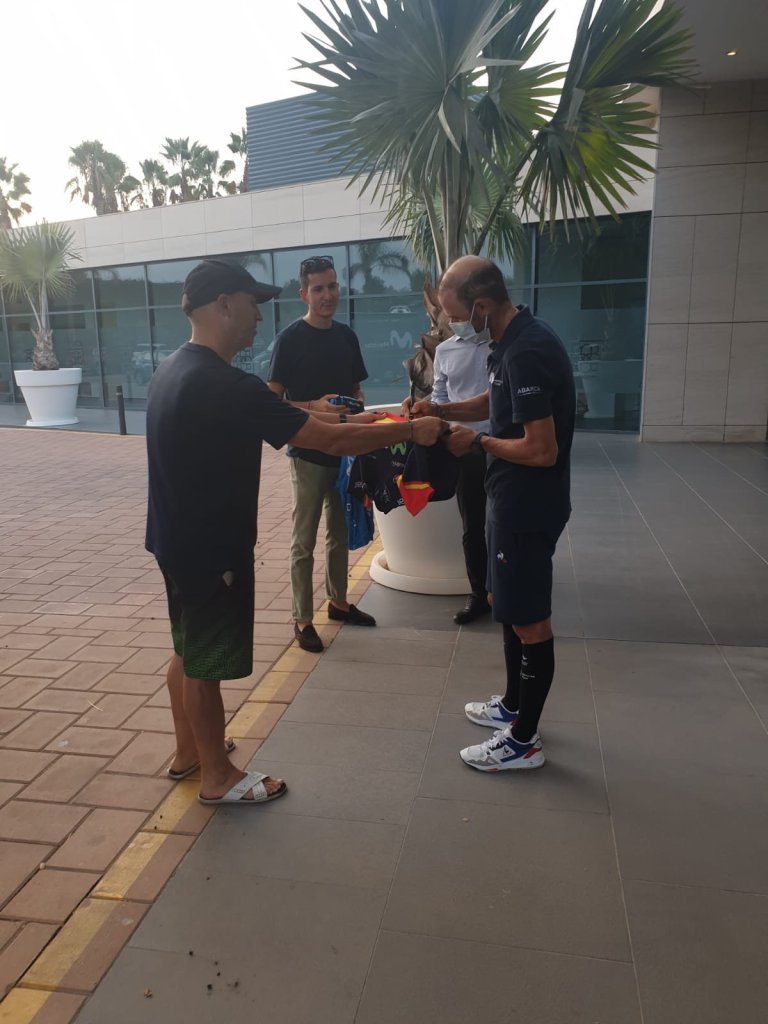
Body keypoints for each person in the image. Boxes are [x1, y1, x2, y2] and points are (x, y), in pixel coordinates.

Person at [146, 258, 444, 807]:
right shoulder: (225, 383)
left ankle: (189, 751)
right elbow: (325, 441)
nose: (260, 317)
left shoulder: (174, 368)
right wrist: (410, 430)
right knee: (206, 662)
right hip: (211, 548)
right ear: (223, 305)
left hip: (173, 538)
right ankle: (217, 776)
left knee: (187, 648)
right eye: (252, 304)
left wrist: (367, 419)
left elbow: (315, 422)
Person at [412, 255, 575, 771]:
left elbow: (541, 450)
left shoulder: (526, 351)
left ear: (482, 306)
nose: (453, 326)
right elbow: (494, 402)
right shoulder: (510, 342)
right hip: (509, 497)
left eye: (457, 316)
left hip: (527, 505)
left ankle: (524, 741)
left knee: (530, 620)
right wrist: (442, 409)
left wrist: (478, 442)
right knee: (506, 604)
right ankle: (512, 705)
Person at [267, 254, 374, 653]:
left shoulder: (346, 336)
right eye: (317, 289)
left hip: (345, 453)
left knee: (340, 533)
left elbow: (357, 389)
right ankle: (302, 618)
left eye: (331, 286)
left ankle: (339, 603)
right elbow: (271, 402)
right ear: (304, 294)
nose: (327, 295)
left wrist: (356, 407)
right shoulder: (289, 340)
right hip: (308, 453)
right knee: (304, 540)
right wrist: (316, 406)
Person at [402, 319, 492, 625]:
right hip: (464, 449)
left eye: (457, 314)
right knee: (473, 526)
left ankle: (510, 591)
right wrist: (425, 407)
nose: (454, 322)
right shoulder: (445, 350)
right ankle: (479, 594)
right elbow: (440, 395)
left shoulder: (503, 345)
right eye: (449, 318)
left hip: (505, 446)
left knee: (507, 524)